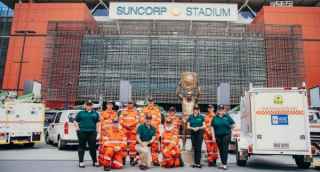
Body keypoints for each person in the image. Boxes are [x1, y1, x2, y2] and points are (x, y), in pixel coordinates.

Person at [75, 100, 100, 168]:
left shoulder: (95, 113)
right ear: (85, 105)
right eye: (87, 105)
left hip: (92, 132)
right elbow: (76, 121)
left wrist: (97, 130)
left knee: (92, 147)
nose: (89, 106)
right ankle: (81, 162)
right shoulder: (81, 113)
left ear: (92, 106)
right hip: (82, 132)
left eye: (90, 105)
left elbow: (97, 122)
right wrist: (77, 128)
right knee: (81, 147)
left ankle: (95, 161)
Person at [211, 105, 235, 170]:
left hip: (226, 135)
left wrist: (229, 127)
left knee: (224, 149)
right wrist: (213, 136)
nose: (221, 111)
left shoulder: (227, 117)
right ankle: (222, 163)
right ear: (218, 110)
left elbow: (233, 124)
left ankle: (224, 164)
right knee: (221, 149)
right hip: (218, 136)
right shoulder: (215, 117)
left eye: (222, 109)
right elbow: (212, 127)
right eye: (219, 109)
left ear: (224, 110)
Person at [140, 97, 161, 166]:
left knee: (154, 146)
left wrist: (151, 125)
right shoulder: (144, 110)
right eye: (149, 101)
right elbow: (141, 120)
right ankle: (143, 161)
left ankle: (155, 160)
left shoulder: (157, 110)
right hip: (145, 131)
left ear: (153, 102)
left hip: (154, 131)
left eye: (152, 101)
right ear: (147, 102)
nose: (150, 103)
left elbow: (158, 120)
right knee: (144, 146)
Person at [119, 101, 139, 166]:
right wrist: (126, 125)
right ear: (127, 104)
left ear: (133, 104)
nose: (130, 104)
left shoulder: (136, 112)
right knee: (124, 145)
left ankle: (132, 160)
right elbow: (120, 120)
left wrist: (130, 125)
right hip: (124, 130)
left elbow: (137, 120)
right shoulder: (123, 111)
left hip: (132, 131)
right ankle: (123, 159)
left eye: (131, 103)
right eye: (129, 103)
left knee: (132, 146)